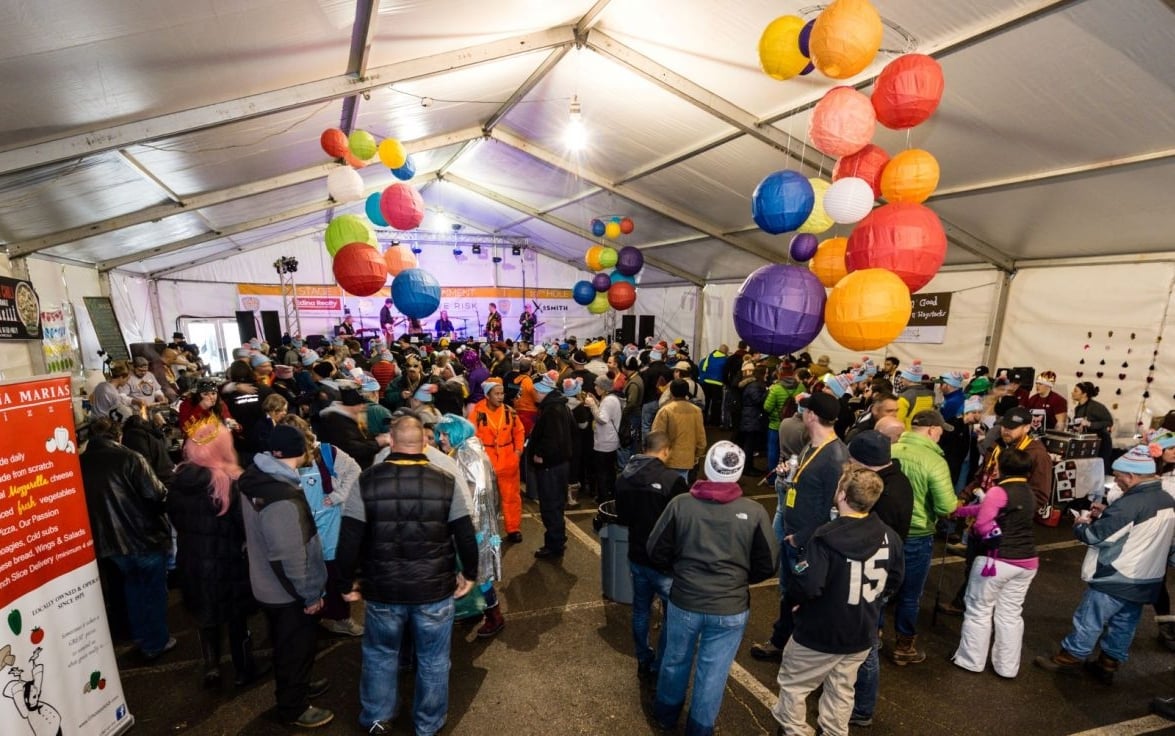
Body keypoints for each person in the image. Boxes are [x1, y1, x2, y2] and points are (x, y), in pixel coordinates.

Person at [334, 413, 479, 736]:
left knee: (380, 654)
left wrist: (345, 583)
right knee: (433, 660)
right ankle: (427, 724)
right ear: (425, 443)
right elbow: (465, 534)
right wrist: (469, 573)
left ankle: (377, 717)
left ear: (392, 441)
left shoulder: (367, 481)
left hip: (383, 589)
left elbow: (349, 538)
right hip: (434, 589)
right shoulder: (445, 481)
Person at [648, 441, 777, 735]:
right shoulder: (754, 512)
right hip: (730, 607)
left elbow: (656, 550)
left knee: (675, 660)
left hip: (685, 600)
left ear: (707, 467)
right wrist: (738, 581)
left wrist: (679, 571)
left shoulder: (681, 504)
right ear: (737, 472)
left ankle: (666, 715)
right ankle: (700, 728)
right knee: (714, 673)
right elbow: (767, 564)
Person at [773, 466, 903, 736]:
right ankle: (833, 731)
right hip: (860, 631)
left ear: (842, 494)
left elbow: (808, 586)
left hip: (821, 631)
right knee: (842, 689)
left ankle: (794, 731)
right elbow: (895, 578)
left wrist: (798, 596)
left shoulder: (825, 537)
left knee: (794, 685)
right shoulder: (889, 536)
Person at [1036, 445, 1175, 683]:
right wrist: (1109, 512)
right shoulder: (1166, 499)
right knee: (1125, 622)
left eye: (1119, 477)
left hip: (1116, 574)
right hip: (1147, 578)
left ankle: (1070, 656)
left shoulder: (1131, 503)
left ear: (1131, 476)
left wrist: (1081, 523)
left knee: (1091, 618)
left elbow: (1095, 536)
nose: (1117, 482)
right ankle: (1108, 663)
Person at [238, 424, 333, 729]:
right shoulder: (281, 497)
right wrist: (309, 595)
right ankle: (294, 706)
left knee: (288, 645)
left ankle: (299, 685)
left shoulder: (256, 476)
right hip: (287, 592)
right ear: (300, 452)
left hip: (265, 582)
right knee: (295, 647)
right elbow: (289, 557)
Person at [751, 392, 848, 662]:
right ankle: (784, 640)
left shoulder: (835, 457)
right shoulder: (812, 445)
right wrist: (788, 474)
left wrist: (801, 537)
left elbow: (833, 509)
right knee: (789, 592)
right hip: (796, 534)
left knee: (800, 595)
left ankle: (790, 645)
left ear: (812, 415)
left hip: (808, 541)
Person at [168, 421, 265, 687]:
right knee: (237, 618)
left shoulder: (177, 480)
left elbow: (176, 521)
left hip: (192, 561)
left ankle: (211, 666)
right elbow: (244, 527)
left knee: (206, 617)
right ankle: (244, 669)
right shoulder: (232, 482)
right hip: (228, 563)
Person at [80, 417, 175, 660]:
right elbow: (156, 493)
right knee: (153, 592)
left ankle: (142, 637)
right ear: (117, 435)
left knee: (132, 589)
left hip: (109, 543)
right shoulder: (131, 458)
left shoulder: (80, 464)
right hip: (143, 536)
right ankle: (155, 643)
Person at [949, 447, 1039, 678]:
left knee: (979, 610)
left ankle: (971, 661)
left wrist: (984, 532)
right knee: (1010, 614)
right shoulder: (1029, 492)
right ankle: (1006, 667)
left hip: (996, 561)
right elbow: (990, 509)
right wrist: (961, 511)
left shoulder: (999, 490)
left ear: (1003, 466)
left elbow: (982, 522)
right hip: (1027, 561)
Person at [847, 430, 913, 728]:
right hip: (882, 577)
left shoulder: (881, 492)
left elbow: (868, 538)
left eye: (853, 459)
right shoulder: (900, 480)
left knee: (867, 646)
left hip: (869, 578)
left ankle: (862, 707)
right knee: (866, 641)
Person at [615, 431, 689, 679]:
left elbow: (623, 518)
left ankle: (643, 658)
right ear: (665, 450)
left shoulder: (624, 478)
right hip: (666, 562)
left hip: (637, 555)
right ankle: (660, 664)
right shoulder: (672, 480)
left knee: (640, 609)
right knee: (672, 616)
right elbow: (683, 524)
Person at [887, 410, 958, 665]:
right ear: (931, 430)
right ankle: (904, 646)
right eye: (940, 430)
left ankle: (871, 635)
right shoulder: (934, 461)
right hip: (917, 533)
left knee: (879, 588)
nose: (941, 435)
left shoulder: (891, 450)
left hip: (885, 531)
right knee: (910, 593)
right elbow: (946, 506)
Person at [435, 413, 505, 638]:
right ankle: (474, 609)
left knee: (479, 571)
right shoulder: (462, 451)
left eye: (445, 434)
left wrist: (464, 524)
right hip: (470, 523)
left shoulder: (468, 455)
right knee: (471, 569)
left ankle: (494, 615)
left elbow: (475, 494)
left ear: (457, 433)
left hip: (475, 525)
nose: (441, 439)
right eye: (440, 434)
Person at [471, 378, 526, 543]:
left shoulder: (510, 412)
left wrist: (517, 452)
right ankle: (487, 530)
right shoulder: (477, 413)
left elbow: (519, 432)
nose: (501, 397)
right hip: (486, 462)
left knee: (511, 497)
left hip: (508, 460)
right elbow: (471, 437)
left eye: (502, 393)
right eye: (497, 394)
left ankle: (513, 528)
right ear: (487, 395)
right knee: (486, 500)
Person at [527, 369, 575, 559]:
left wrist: (540, 454)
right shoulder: (559, 406)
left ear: (541, 391)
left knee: (550, 505)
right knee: (555, 505)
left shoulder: (552, 410)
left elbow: (552, 438)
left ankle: (554, 544)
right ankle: (557, 539)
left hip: (551, 467)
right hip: (561, 464)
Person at [317, 383, 391, 469]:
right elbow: (352, 449)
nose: (363, 407)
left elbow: (360, 439)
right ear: (355, 406)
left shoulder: (345, 418)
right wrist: (378, 443)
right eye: (362, 404)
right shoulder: (336, 421)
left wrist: (377, 438)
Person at [651, 379, 707, 482]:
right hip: (687, 458)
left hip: (667, 458)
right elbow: (701, 438)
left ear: (671, 391)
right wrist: (697, 455)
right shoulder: (696, 410)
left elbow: (656, 436)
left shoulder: (665, 410)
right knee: (681, 487)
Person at [584, 373, 624, 503]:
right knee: (609, 470)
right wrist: (596, 402)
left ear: (603, 387)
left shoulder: (608, 400)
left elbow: (602, 419)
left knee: (602, 472)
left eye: (597, 385)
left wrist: (592, 405)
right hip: (610, 440)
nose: (595, 387)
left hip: (605, 441)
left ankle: (603, 498)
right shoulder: (611, 398)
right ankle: (610, 494)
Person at [1071, 380, 1114, 472]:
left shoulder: (1096, 407)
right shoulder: (1078, 408)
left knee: (1099, 470)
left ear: (1084, 394)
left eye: (1075, 391)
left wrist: (1090, 424)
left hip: (1101, 443)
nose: (1072, 393)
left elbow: (1109, 422)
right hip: (1088, 443)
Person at [735, 363, 768, 475]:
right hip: (751, 417)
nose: (767, 376)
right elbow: (758, 400)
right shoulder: (755, 386)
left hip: (749, 416)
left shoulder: (753, 384)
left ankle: (748, 467)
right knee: (749, 445)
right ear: (762, 374)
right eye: (766, 373)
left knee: (749, 444)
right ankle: (747, 468)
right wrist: (768, 392)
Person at [697, 344, 729, 426]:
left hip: (706, 383)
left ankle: (703, 420)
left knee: (705, 403)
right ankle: (714, 422)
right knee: (716, 405)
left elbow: (701, 366)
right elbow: (726, 373)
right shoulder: (725, 360)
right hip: (717, 384)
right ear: (726, 352)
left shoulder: (709, 357)